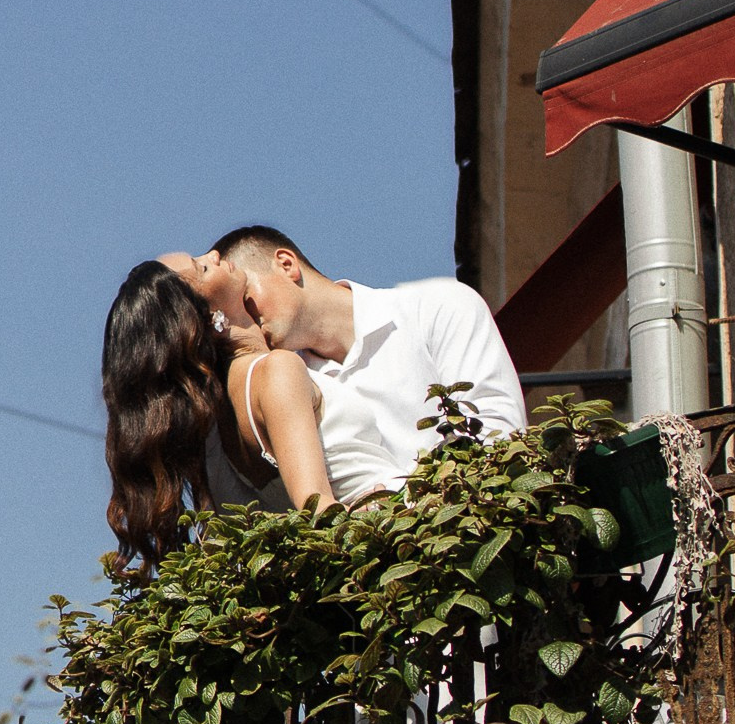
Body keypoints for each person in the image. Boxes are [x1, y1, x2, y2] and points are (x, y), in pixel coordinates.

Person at [185, 224, 525, 502]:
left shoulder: (438, 307)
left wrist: (413, 505)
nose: (249, 320)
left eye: (247, 299)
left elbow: (500, 434)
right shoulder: (290, 384)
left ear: (286, 264)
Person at [100, 256, 337, 570]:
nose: (214, 255)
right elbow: (318, 509)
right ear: (206, 317)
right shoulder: (276, 371)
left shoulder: (210, 428)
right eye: (202, 268)